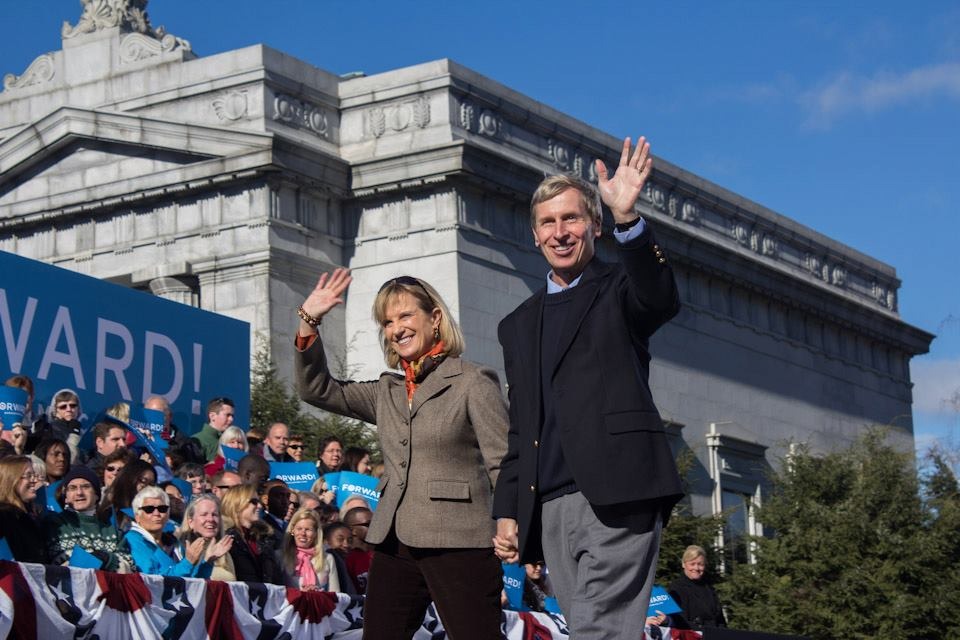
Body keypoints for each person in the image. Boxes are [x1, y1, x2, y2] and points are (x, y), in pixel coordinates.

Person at [492, 137, 684, 638]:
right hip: (549, 504)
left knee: (599, 630)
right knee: (592, 630)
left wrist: (629, 219)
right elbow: (522, 425)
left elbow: (659, 297)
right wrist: (508, 509)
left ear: (594, 226)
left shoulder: (619, 289)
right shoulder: (517, 324)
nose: (561, 233)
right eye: (548, 223)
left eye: (572, 219)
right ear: (534, 236)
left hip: (618, 493)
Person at [296, 269, 509, 639]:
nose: (396, 328)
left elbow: (502, 460)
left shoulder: (474, 381)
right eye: (388, 321)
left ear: (435, 318)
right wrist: (309, 320)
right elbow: (317, 389)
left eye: (405, 315)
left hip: (459, 539)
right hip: (395, 540)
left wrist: (510, 520)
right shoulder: (387, 391)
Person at [41, 466, 131, 570]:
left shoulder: (112, 532)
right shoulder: (57, 524)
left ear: (97, 495)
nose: (79, 493)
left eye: (86, 486)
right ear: (66, 497)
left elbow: (129, 569)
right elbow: (65, 565)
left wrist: (107, 558)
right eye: (73, 488)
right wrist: (105, 560)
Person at [124, 485, 225, 577]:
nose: (157, 513)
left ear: (168, 514)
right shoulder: (133, 540)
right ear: (137, 516)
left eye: (162, 509)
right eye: (149, 509)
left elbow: (193, 582)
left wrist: (208, 562)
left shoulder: (173, 542)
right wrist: (188, 562)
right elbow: (153, 580)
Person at [221, 484, 283, 584]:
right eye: (253, 502)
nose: (259, 506)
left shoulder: (265, 537)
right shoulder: (226, 537)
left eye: (258, 501)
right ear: (237, 505)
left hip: (265, 596)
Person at [176, 494, 236, 581]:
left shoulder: (224, 553)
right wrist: (207, 561)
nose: (210, 519)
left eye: (214, 514)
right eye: (204, 514)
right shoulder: (179, 549)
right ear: (191, 522)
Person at [668, 545, 727, 630]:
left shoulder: (709, 589)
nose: (696, 568)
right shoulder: (676, 588)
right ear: (684, 564)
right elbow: (679, 621)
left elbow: (720, 620)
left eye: (700, 564)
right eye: (692, 564)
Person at [0, 455, 47, 562]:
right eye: (28, 476)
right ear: (11, 479)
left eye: (34, 475)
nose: (35, 480)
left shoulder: (31, 516)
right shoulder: (3, 515)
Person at [280, 508, 340, 592]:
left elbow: (336, 595)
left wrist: (317, 594)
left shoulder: (328, 558)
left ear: (316, 533)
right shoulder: (280, 556)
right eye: (299, 529)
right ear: (292, 530)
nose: (303, 533)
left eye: (308, 530)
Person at [31, 389, 83, 460]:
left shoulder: (81, 429)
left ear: (78, 408)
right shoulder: (49, 429)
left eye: (73, 405)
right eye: (63, 407)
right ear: (56, 410)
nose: (69, 409)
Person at [192, 397, 236, 462]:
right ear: (212, 416)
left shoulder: (233, 442)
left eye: (232, 416)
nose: (231, 419)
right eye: (227, 415)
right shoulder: (197, 441)